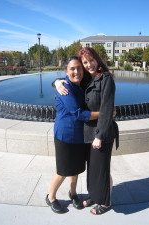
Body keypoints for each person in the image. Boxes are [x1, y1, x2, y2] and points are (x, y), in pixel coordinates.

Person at [55, 47, 118, 215]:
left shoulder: (106, 80)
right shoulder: (86, 79)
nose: (89, 65)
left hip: (101, 133)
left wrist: (100, 136)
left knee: (102, 169)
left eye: (91, 60)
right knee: (93, 169)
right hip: (88, 133)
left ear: (97, 59)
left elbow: (106, 108)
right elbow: (69, 77)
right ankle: (95, 195)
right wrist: (56, 82)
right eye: (85, 62)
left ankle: (105, 202)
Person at [46, 56, 99, 214]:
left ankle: (73, 193)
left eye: (79, 68)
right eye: (72, 69)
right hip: (65, 135)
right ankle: (51, 197)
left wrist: (55, 81)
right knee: (63, 170)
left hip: (78, 135)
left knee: (74, 169)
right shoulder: (65, 88)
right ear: (66, 71)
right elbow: (79, 114)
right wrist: (102, 114)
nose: (76, 71)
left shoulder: (80, 84)